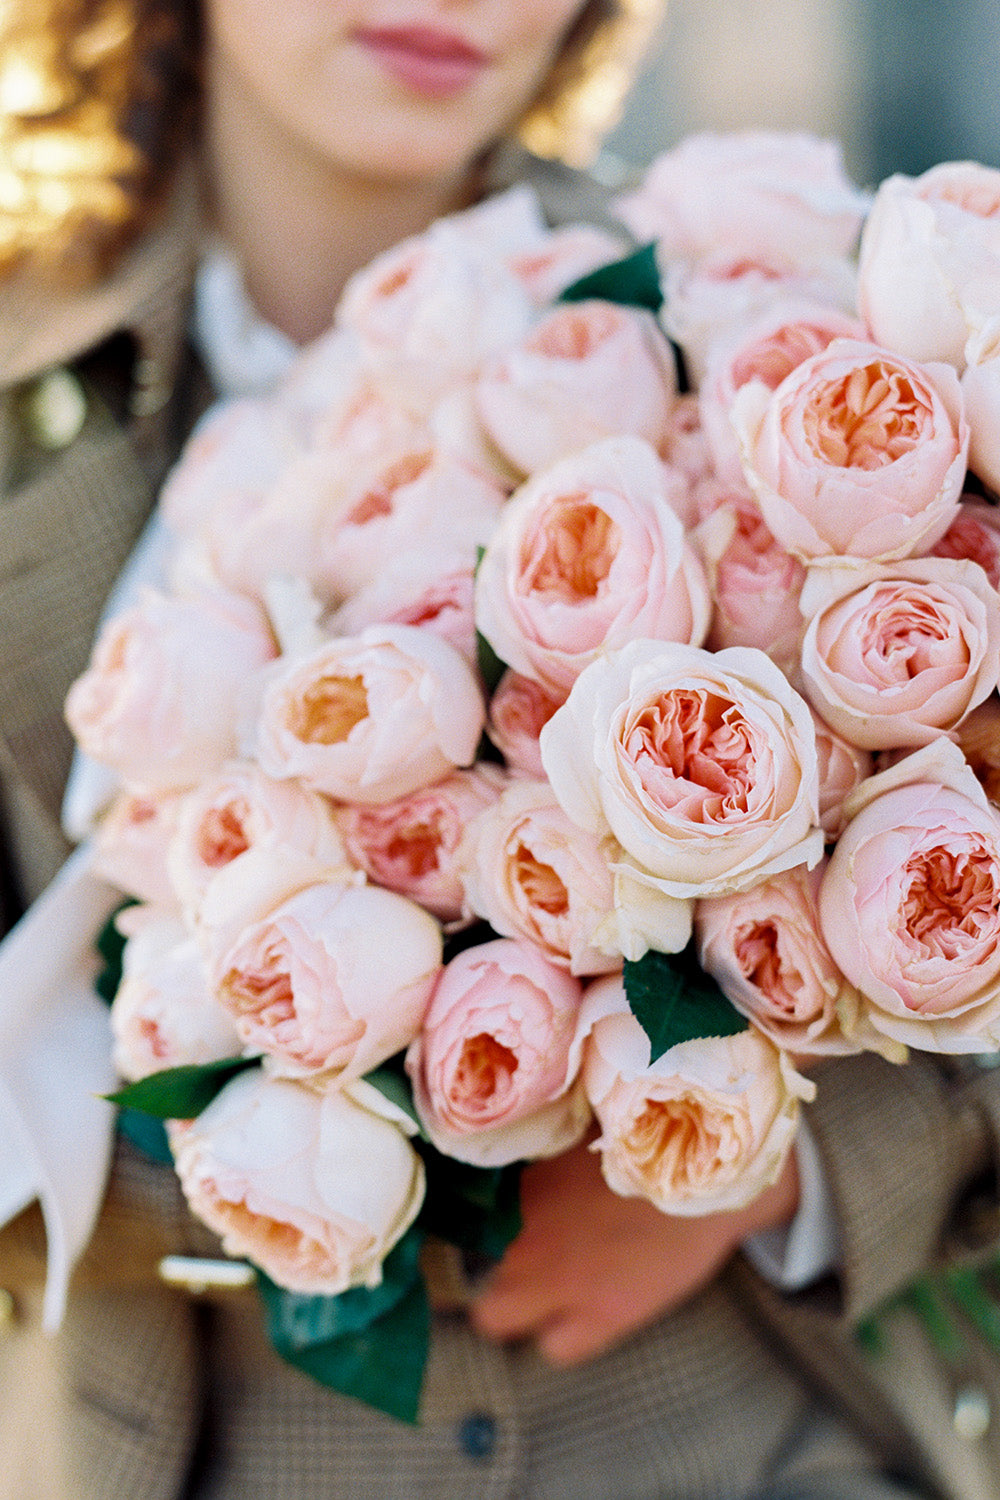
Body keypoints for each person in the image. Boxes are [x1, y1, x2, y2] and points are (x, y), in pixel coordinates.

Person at [1, 3, 1000, 1498]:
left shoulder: (777, 323)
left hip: (761, 1443)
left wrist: (765, 1176)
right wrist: (312, 1174)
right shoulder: (24, 403)